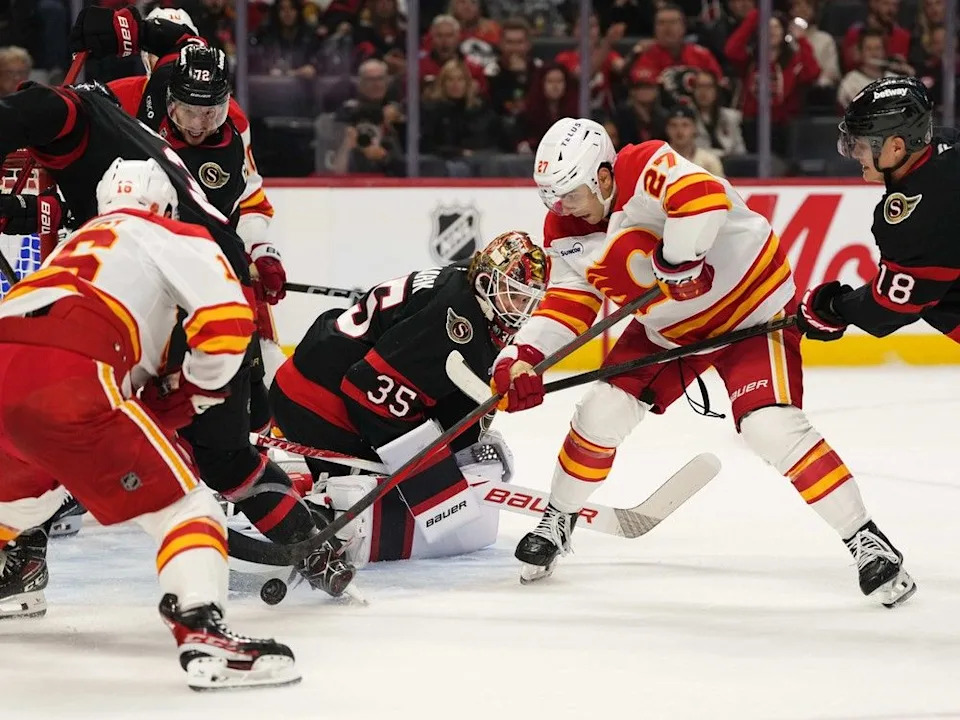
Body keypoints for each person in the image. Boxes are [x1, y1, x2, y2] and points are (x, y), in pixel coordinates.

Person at [0, 8, 353, 601]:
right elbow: (166, 44)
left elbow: (44, 112)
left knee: (60, 433)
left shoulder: (178, 124)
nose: (201, 121)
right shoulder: (132, 100)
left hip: (164, 305)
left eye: (210, 109)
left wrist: (258, 258)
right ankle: (309, 546)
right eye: (190, 110)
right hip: (165, 301)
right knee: (211, 451)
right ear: (167, 95)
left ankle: (299, 544)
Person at [491, 117, 916, 609]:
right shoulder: (564, 230)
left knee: (772, 429)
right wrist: (523, 359)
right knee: (599, 411)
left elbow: (702, 198)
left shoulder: (644, 164)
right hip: (670, 332)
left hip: (751, 313)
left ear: (605, 176)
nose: (558, 207)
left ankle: (865, 539)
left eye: (569, 193)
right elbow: (569, 301)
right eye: (549, 196)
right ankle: (558, 519)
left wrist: (678, 260)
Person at [0, 157, 298, 690]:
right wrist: (196, 389)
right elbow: (228, 325)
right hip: (74, 368)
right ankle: (206, 633)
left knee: (26, 499)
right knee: (188, 503)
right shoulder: (171, 232)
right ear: (165, 203)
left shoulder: (72, 244)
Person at [268, 232, 548, 566]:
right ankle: (307, 502)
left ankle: (308, 486)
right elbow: (367, 389)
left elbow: (440, 380)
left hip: (315, 378)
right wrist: (435, 483)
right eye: (515, 297)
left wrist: (464, 434)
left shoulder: (469, 286)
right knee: (394, 495)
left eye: (529, 301)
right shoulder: (454, 319)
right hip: (315, 400)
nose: (522, 310)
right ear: (488, 280)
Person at [798, 78, 960, 350]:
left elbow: (895, 305)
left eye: (860, 144)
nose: (855, 154)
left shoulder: (920, 214)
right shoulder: (946, 145)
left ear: (896, 147)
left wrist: (835, 308)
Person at [662, 104, 724, 177]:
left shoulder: (709, 161)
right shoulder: (660, 161)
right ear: (667, 129)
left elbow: (720, 187)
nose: (679, 131)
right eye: (673, 125)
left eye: (685, 125)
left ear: (695, 128)